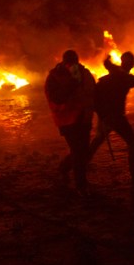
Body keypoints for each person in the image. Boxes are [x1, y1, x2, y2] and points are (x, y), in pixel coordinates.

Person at [89, 46, 134, 183]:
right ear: (132, 65)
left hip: (104, 115)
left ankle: (72, 164)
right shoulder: (126, 79)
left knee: (96, 142)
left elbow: (107, 63)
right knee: (132, 143)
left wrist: (107, 58)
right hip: (115, 117)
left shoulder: (115, 71)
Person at [45, 49, 96, 197]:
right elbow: (56, 98)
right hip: (67, 120)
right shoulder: (54, 77)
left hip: (84, 118)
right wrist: (72, 84)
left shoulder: (85, 73)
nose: (72, 65)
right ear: (63, 62)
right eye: (69, 62)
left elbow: (92, 93)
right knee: (78, 151)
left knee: (82, 151)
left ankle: (64, 167)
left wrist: (100, 110)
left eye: (74, 62)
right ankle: (81, 185)